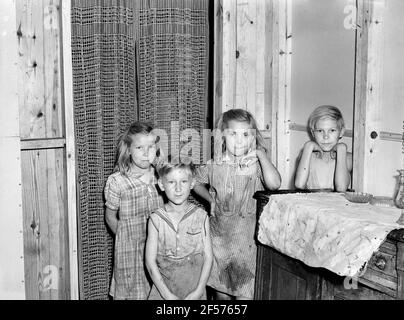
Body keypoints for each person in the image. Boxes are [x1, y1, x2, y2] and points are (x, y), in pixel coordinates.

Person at [193, 109, 281, 300]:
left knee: (245, 294)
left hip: (247, 243)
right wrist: (211, 199)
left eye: (246, 134)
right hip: (219, 240)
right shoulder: (214, 164)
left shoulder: (257, 165)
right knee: (221, 293)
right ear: (223, 135)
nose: (240, 140)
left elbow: (274, 185)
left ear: (253, 138)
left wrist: (261, 155)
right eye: (233, 134)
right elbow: (195, 182)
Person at [104, 122, 163, 300]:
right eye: (139, 147)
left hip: (159, 249)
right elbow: (110, 217)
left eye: (151, 147)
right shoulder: (117, 181)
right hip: (129, 253)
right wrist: (126, 239)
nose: (146, 153)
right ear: (128, 149)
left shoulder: (163, 177)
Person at [146, 161, 213, 300]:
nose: (178, 188)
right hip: (163, 293)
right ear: (161, 184)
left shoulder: (201, 216)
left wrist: (199, 291)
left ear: (192, 183)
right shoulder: (156, 219)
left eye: (183, 181)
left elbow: (208, 258)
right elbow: (150, 262)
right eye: (171, 182)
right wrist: (167, 296)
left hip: (194, 292)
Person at [294, 105, 352, 191]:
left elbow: (341, 188)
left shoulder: (347, 157)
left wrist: (342, 149)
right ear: (313, 133)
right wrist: (308, 146)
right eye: (320, 131)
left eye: (332, 130)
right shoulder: (307, 154)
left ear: (341, 132)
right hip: (309, 203)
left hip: (336, 204)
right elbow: (299, 184)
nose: (325, 136)